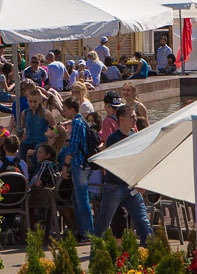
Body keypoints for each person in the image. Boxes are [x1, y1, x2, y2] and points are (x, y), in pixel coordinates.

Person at [94, 104, 154, 241]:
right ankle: (95, 254)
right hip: (115, 186)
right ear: (121, 119)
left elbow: (139, 160)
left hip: (131, 186)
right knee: (104, 222)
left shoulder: (135, 136)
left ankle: (150, 254)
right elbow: (114, 163)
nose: (135, 120)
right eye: (132, 117)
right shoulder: (113, 140)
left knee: (143, 222)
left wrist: (141, 180)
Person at [56, 97, 95, 240]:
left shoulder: (77, 123)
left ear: (72, 110)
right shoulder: (83, 122)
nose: (63, 112)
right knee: (75, 197)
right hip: (84, 164)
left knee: (82, 199)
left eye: (65, 110)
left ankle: (88, 233)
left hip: (79, 165)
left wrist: (65, 166)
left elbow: (72, 147)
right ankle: (80, 229)